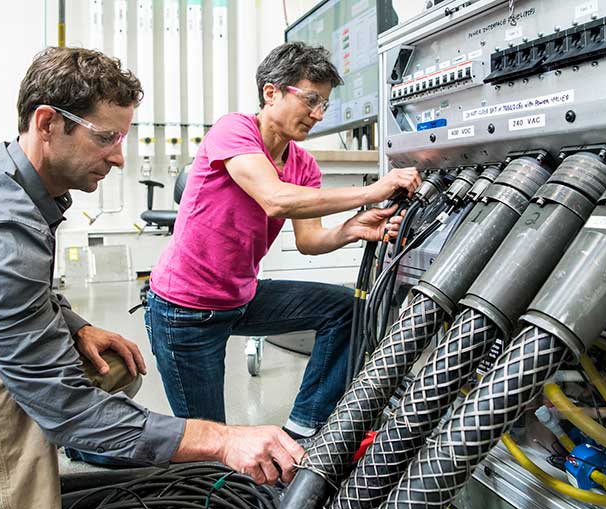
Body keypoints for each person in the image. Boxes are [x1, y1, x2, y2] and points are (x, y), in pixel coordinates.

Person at [0, 47, 303, 509]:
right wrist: (221, 440)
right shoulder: (0, 224)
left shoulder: (6, 174)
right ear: (48, 122)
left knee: (104, 365)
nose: (119, 156)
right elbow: (61, 404)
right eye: (106, 137)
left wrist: (77, 325)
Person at [146, 42, 422, 439]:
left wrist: (352, 229)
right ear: (271, 92)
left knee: (345, 311)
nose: (318, 114)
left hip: (239, 299)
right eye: (311, 100)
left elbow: (309, 240)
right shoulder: (234, 130)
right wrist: (371, 191)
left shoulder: (303, 164)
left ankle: (302, 430)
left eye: (324, 104)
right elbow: (275, 199)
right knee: (209, 447)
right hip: (184, 310)